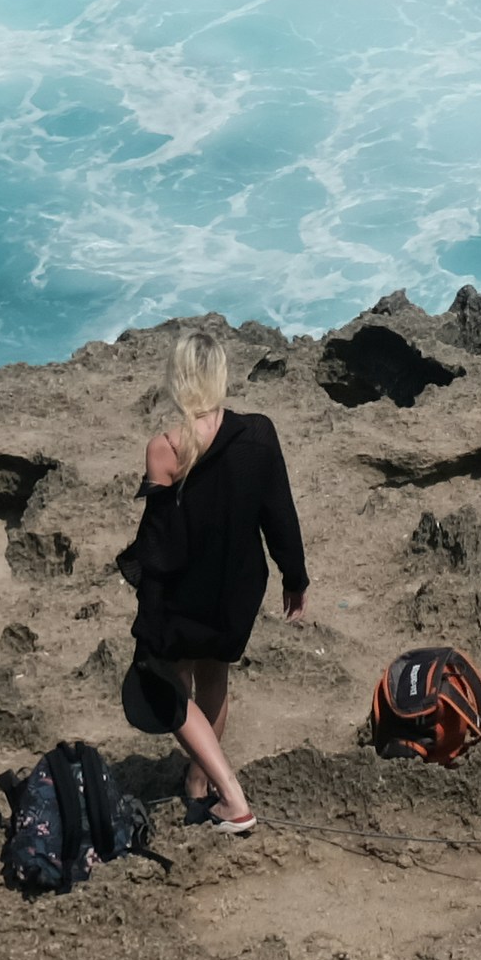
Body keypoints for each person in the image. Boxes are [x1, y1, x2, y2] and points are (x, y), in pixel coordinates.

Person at [119, 330, 310, 831]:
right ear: (221, 375)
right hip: (239, 591)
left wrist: (149, 616)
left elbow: (159, 546)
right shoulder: (260, 433)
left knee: (171, 689)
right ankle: (197, 787)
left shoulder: (166, 449)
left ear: (177, 379)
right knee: (215, 682)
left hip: (188, 595)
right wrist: (296, 577)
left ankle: (231, 796)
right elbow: (280, 514)